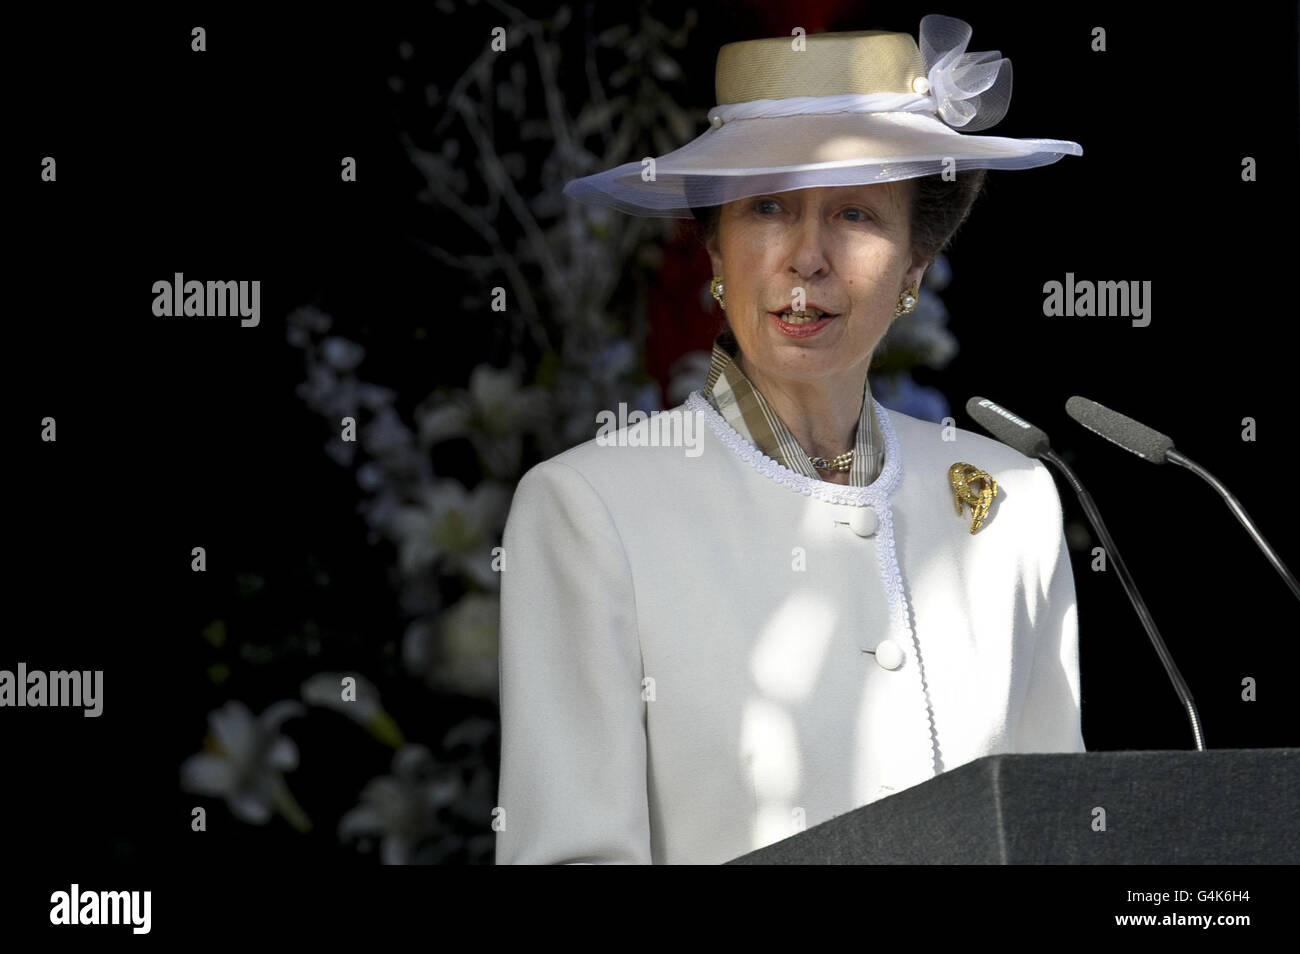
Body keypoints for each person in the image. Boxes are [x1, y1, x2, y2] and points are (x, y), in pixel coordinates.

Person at [495, 14, 1085, 865]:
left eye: (854, 213)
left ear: (917, 263)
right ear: (715, 247)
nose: (806, 257)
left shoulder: (1014, 502)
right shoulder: (590, 508)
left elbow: (1056, 838)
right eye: (768, 207)